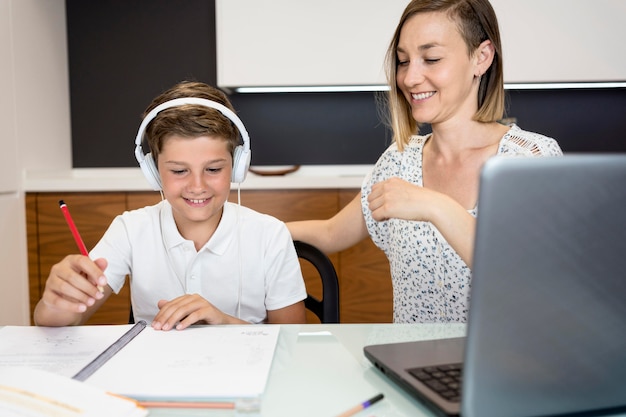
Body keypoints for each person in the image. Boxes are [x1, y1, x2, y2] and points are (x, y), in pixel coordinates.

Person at [287, 0, 562, 323]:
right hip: (408, 367)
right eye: (404, 61)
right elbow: (332, 232)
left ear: (481, 57)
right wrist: (237, 228)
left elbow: (526, 280)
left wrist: (434, 206)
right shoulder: (399, 161)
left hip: (501, 370)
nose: (411, 78)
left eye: (431, 59)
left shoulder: (531, 160)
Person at [34, 81, 307, 329]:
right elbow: (61, 320)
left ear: (236, 166)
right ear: (153, 171)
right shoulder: (131, 229)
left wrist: (223, 321)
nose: (197, 186)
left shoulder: (269, 236)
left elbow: (291, 342)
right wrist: (55, 302)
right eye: (179, 171)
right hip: (156, 381)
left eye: (213, 169)